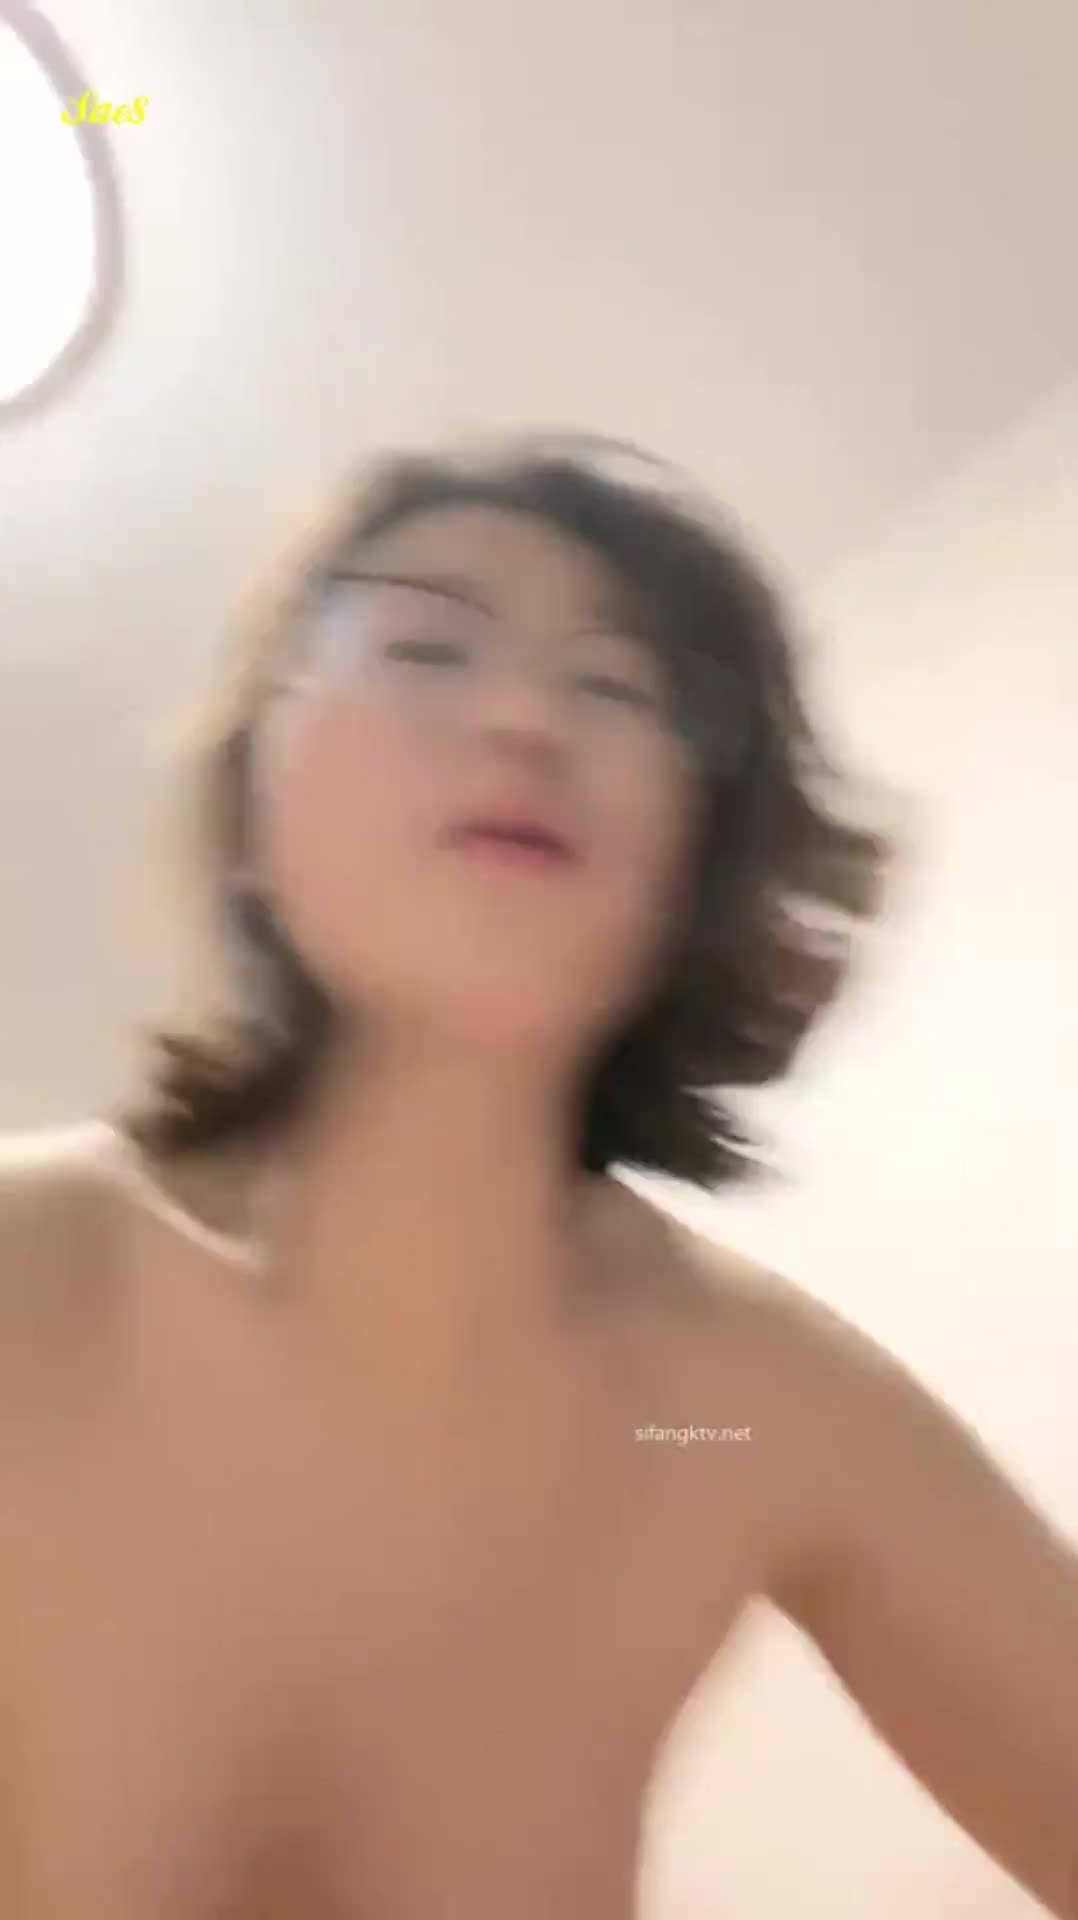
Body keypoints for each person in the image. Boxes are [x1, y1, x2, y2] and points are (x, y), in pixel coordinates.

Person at [0, 431, 1074, 1919]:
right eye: (424, 647)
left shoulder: (727, 1409)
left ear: (691, 869)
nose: (520, 717)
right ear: (251, 808)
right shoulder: (24, 1277)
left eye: (616, 688)